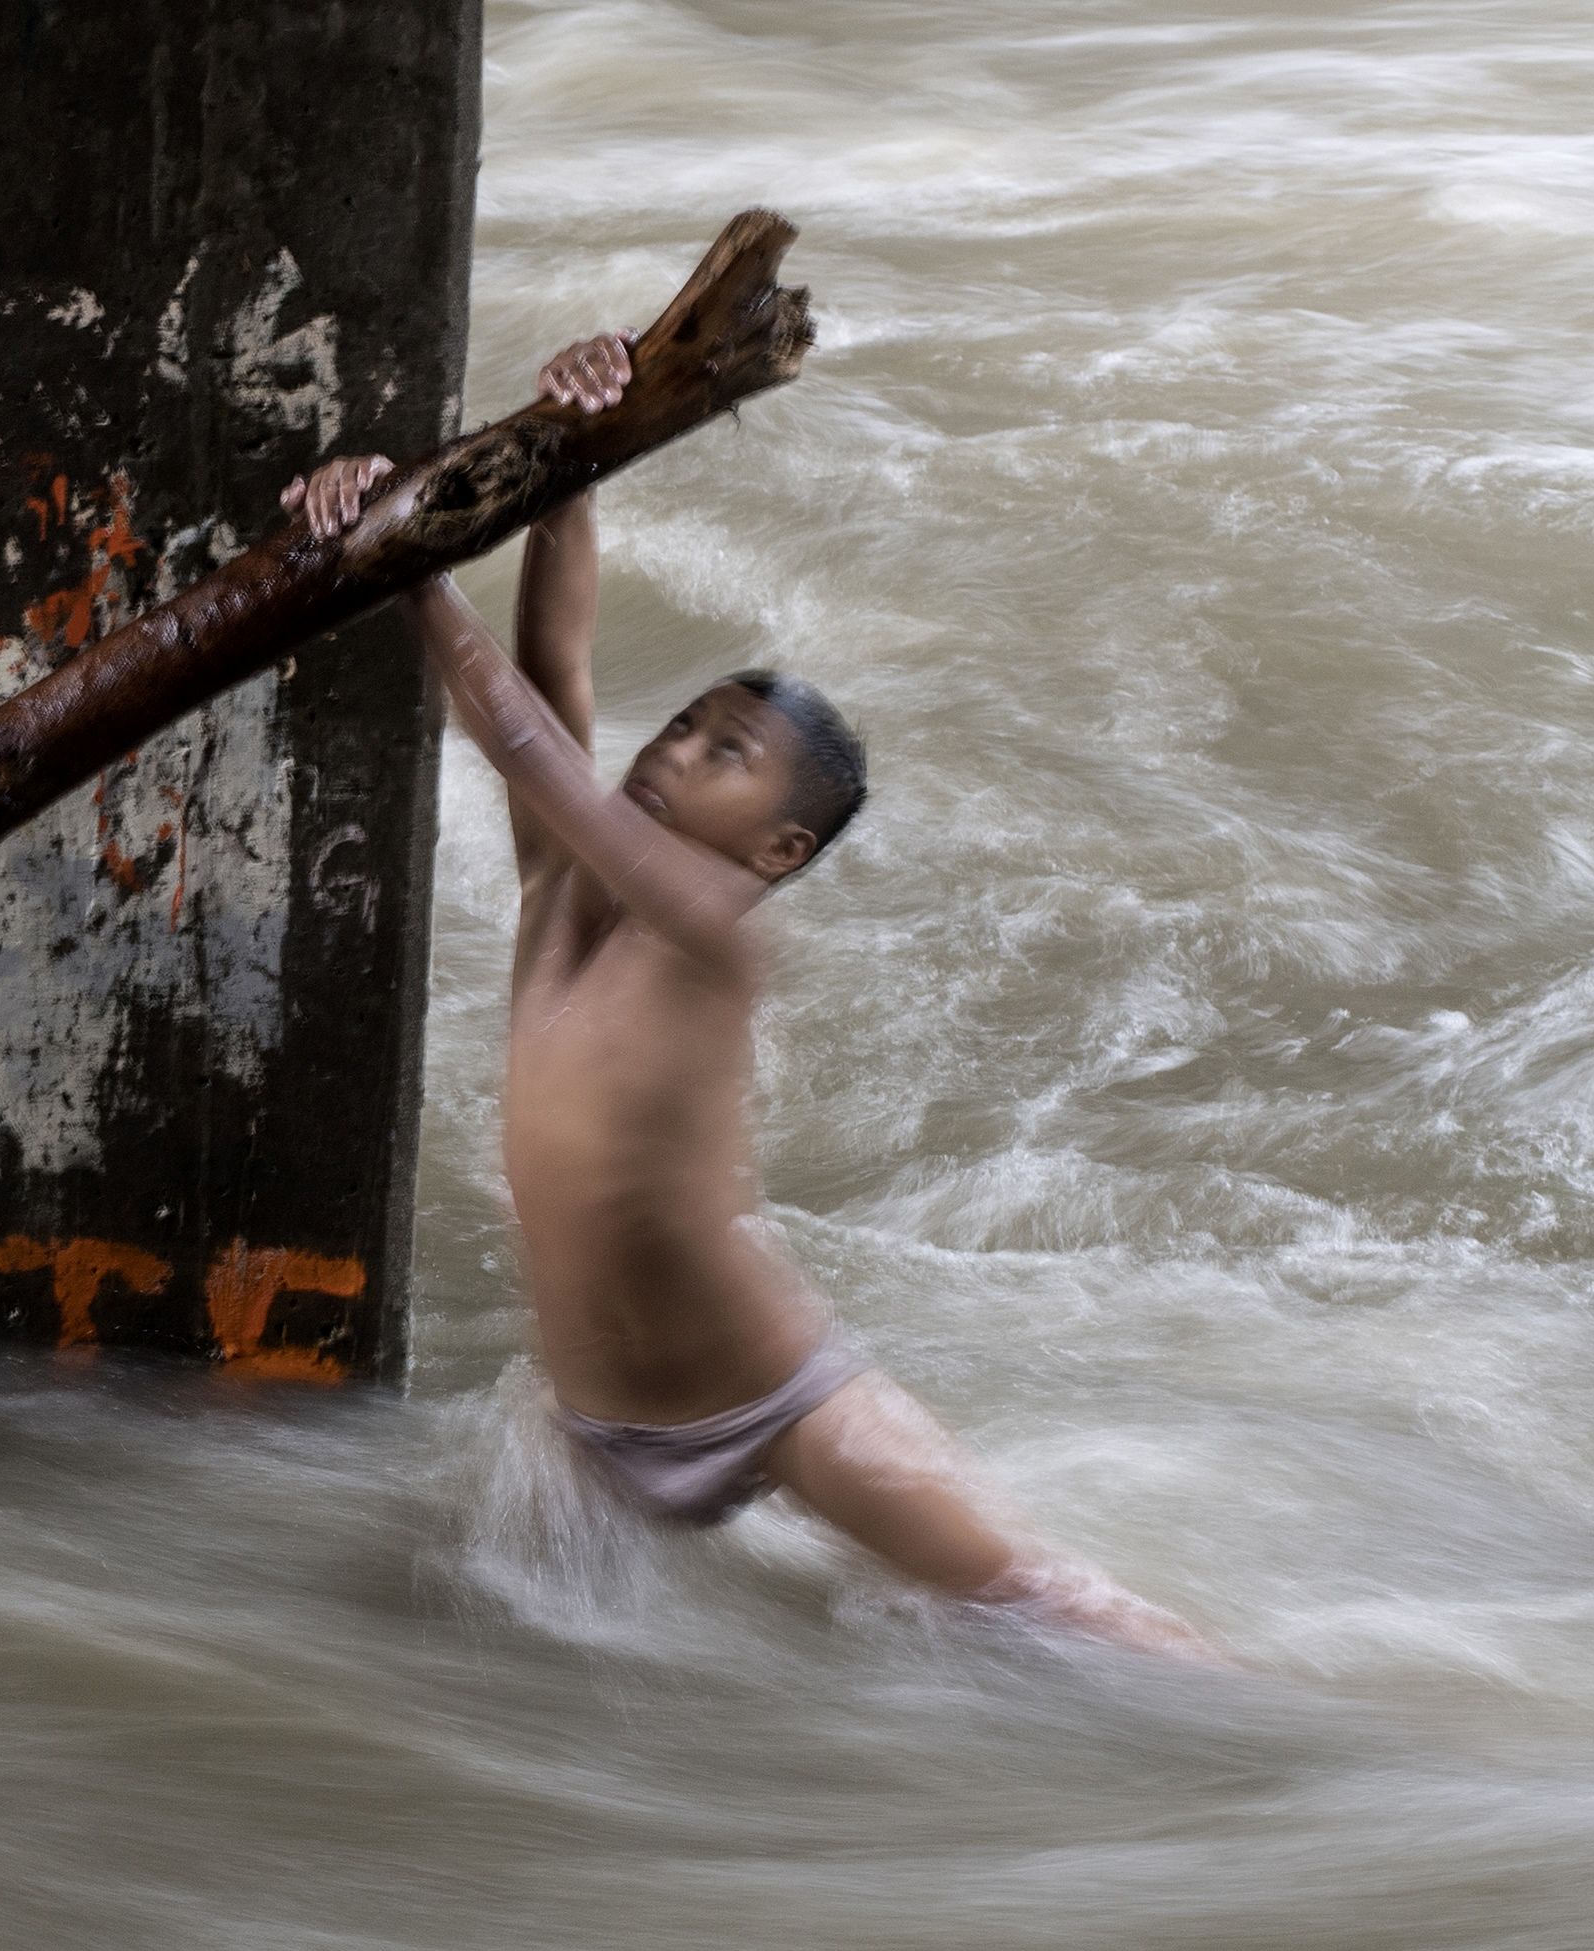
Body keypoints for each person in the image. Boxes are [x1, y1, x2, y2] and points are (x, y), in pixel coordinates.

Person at [288, 330, 1223, 1663]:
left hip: (780, 1406)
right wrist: (570, 462)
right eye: (683, 724)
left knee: (1054, 1615)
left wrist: (408, 564)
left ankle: (1298, 1723)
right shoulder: (562, 889)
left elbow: (531, 745)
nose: (673, 751)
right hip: (590, 1428)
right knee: (440, 1651)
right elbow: (555, 673)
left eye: (724, 753)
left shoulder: (718, 937)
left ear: (778, 849)